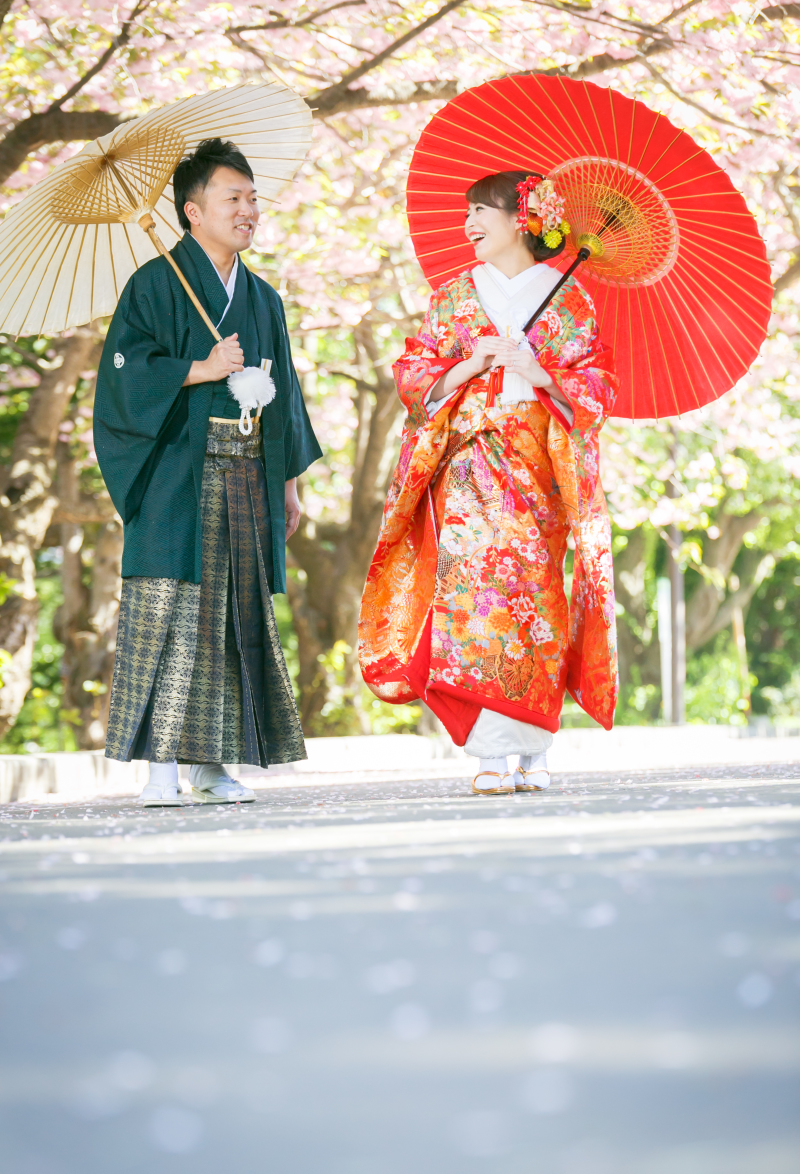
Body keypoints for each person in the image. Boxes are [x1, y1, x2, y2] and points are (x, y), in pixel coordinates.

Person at [359, 170, 618, 794]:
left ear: (523, 219)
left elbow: (600, 384)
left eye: (483, 210)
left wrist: (543, 373)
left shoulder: (569, 299)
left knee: (535, 601)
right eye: (467, 211)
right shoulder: (454, 297)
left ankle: (533, 748)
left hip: (540, 470)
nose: (470, 222)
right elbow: (414, 370)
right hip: (471, 469)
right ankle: (490, 754)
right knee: (472, 598)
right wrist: (467, 365)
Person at [94, 138, 321, 805]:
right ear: (192, 211)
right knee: (169, 605)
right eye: (234, 198)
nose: (249, 209)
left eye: (252, 197)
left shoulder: (262, 297)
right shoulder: (154, 285)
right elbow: (122, 379)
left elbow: (290, 397)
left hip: (248, 466)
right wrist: (199, 368)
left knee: (229, 614)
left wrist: (290, 483)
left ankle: (209, 763)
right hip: (176, 471)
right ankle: (158, 767)